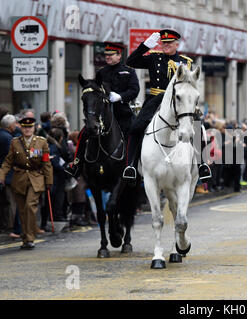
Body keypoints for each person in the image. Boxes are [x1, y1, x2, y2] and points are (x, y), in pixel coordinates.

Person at [125, 28, 211, 182]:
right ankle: (131, 165)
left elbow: (189, 85)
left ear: (176, 44)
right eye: (163, 42)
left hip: (179, 101)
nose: (165, 45)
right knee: (136, 127)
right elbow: (130, 61)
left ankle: (202, 164)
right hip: (155, 99)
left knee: (198, 126)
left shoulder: (186, 62)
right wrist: (145, 46)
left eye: (169, 43)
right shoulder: (153, 57)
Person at [65, 42, 140, 178]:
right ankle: (76, 164)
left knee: (135, 134)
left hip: (122, 113)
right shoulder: (101, 72)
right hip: (103, 114)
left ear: (119, 55)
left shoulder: (129, 71)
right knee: (83, 133)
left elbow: (134, 90)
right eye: (106, 55)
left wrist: (120, 97)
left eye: (111, 55)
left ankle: (132, 166)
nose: (108, 57)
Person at [0, 117, 53, 249]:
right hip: (19, 179)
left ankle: (30, 238)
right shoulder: (15, 142)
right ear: (21, 128)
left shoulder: (42, 142)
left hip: (36, 178)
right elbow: (8, 161)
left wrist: (49, 181)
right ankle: (25, 237)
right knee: (23, 210)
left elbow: (46, 163)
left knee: (30, 206)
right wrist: (1, 175)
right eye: (24, 127)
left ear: (34, 128)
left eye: (30, 127)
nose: (27, 129)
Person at [0, 114, 17, 233]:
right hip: (9, 174)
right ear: (11, 125)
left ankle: (4, 224)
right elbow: (12, 157)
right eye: (15, 123)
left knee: (4, 202)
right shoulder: (9, 139)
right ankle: (11, 226)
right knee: (11, 202)